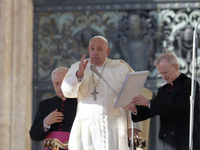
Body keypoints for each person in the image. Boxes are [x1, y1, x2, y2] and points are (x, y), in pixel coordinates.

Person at [61, 35, 142, 150]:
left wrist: (134, 128)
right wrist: (79, 74)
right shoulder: (78, 67)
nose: (95, 52)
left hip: (115, 127)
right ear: (89, 50)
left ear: (107, 51)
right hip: (87, 126)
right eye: (92, 49)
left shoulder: (121, 68)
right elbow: (67, 92)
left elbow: (134, 96)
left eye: (99, 49)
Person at [125, 53, 200, 150]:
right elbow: (151, 110)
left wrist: (149, 103)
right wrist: (135, 109)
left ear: (176, 67)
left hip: (185, 141)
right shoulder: (163, 90)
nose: (163, 76)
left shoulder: (190, 85)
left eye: (165, 72)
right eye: (160, 73)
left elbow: (178, 108)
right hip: (167, 142)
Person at [29, 67, 77, 150]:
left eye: (64, 82)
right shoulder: (45, 104)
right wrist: (46, 122)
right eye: (57, 83)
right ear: (53, 84)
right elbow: (34, 136)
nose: (60, 87)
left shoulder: (79, 104)